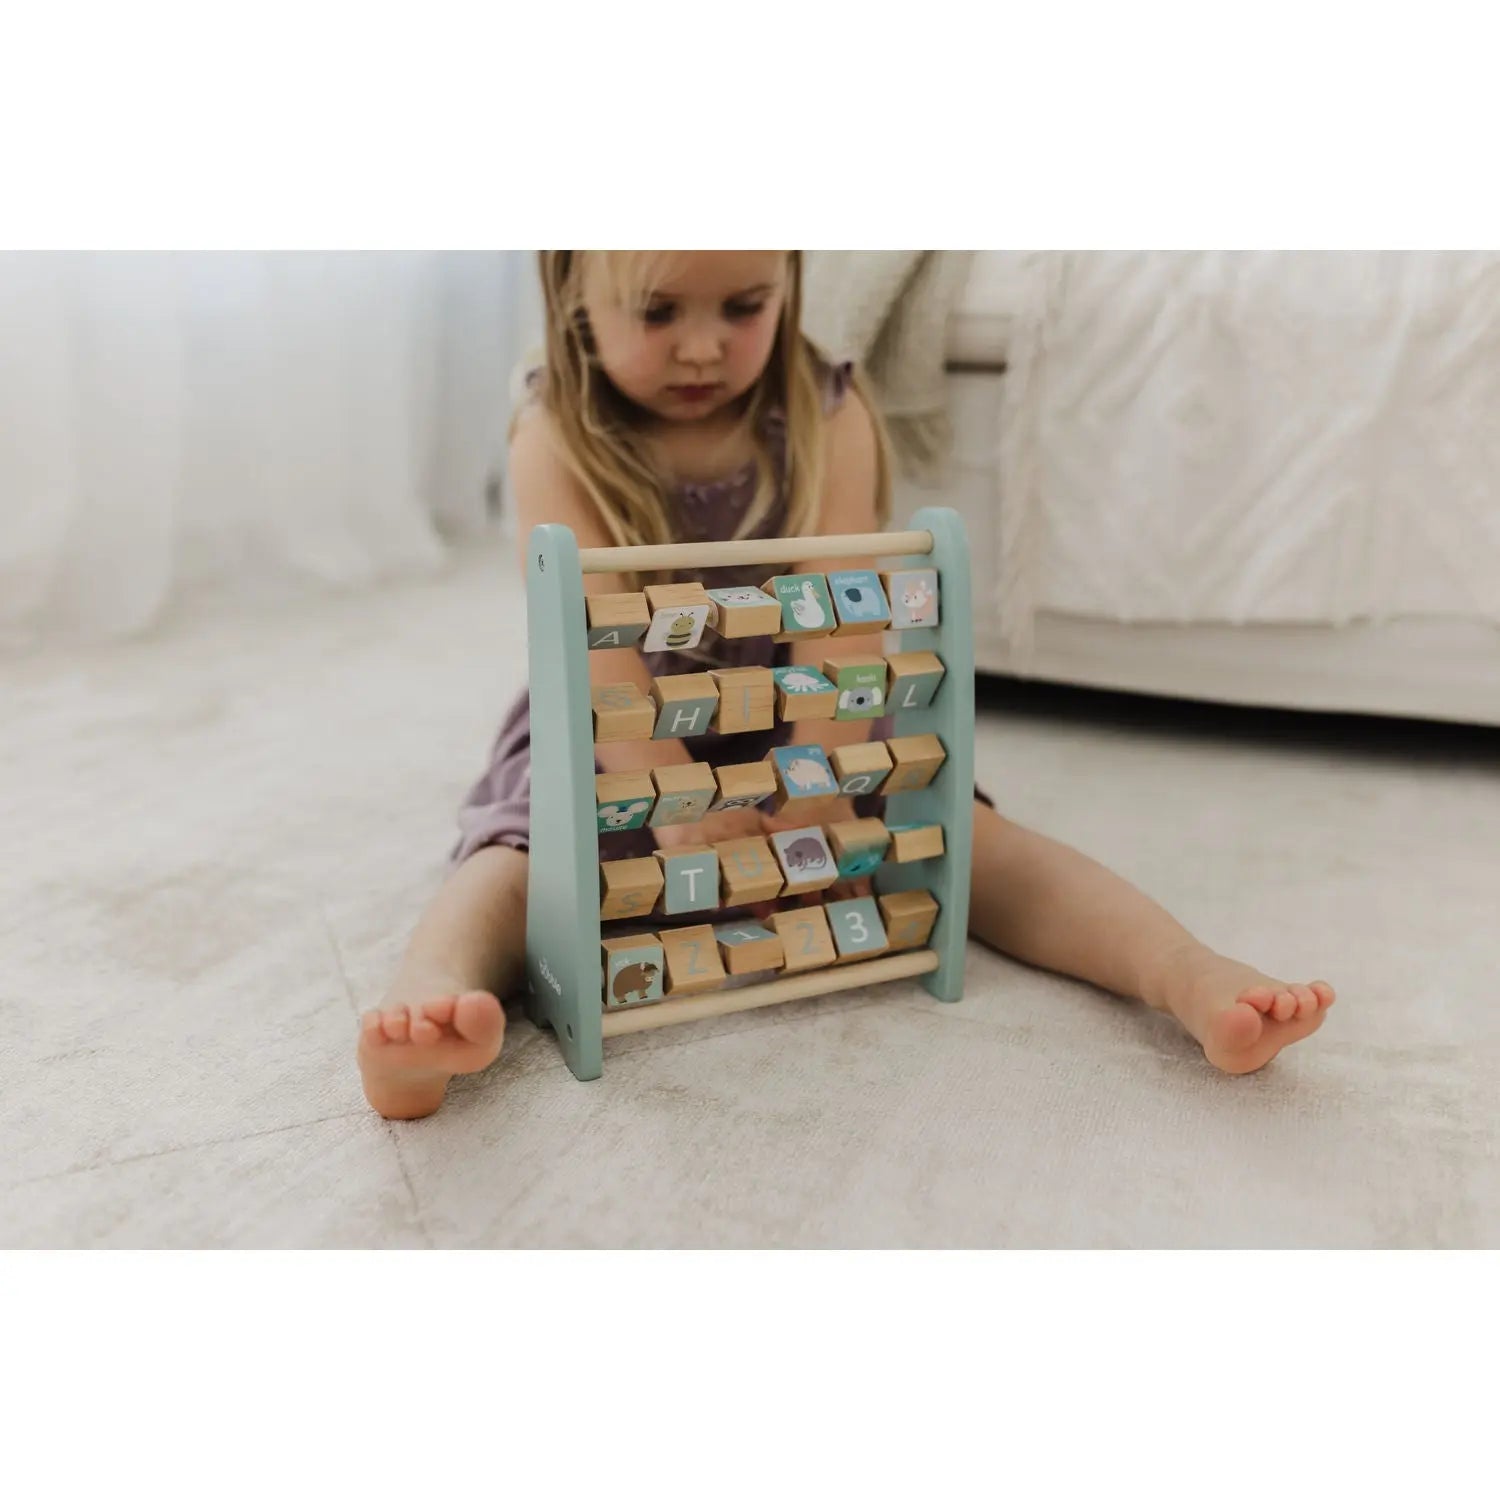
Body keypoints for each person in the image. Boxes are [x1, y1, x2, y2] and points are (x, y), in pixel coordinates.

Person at [356, 250, 1336, 1120]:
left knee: (968, 835)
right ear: (571, 287)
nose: (703, 347)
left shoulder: (829, 410)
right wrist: (676, 810)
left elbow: (842, 618)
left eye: (744, 305)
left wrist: (817, 777)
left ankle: (1182, 974)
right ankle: (428, 1007)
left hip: (809, 703)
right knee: (518, 862)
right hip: (615, 725)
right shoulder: (554, 433)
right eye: (658, 313)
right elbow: (598, 659)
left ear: (791, 277)